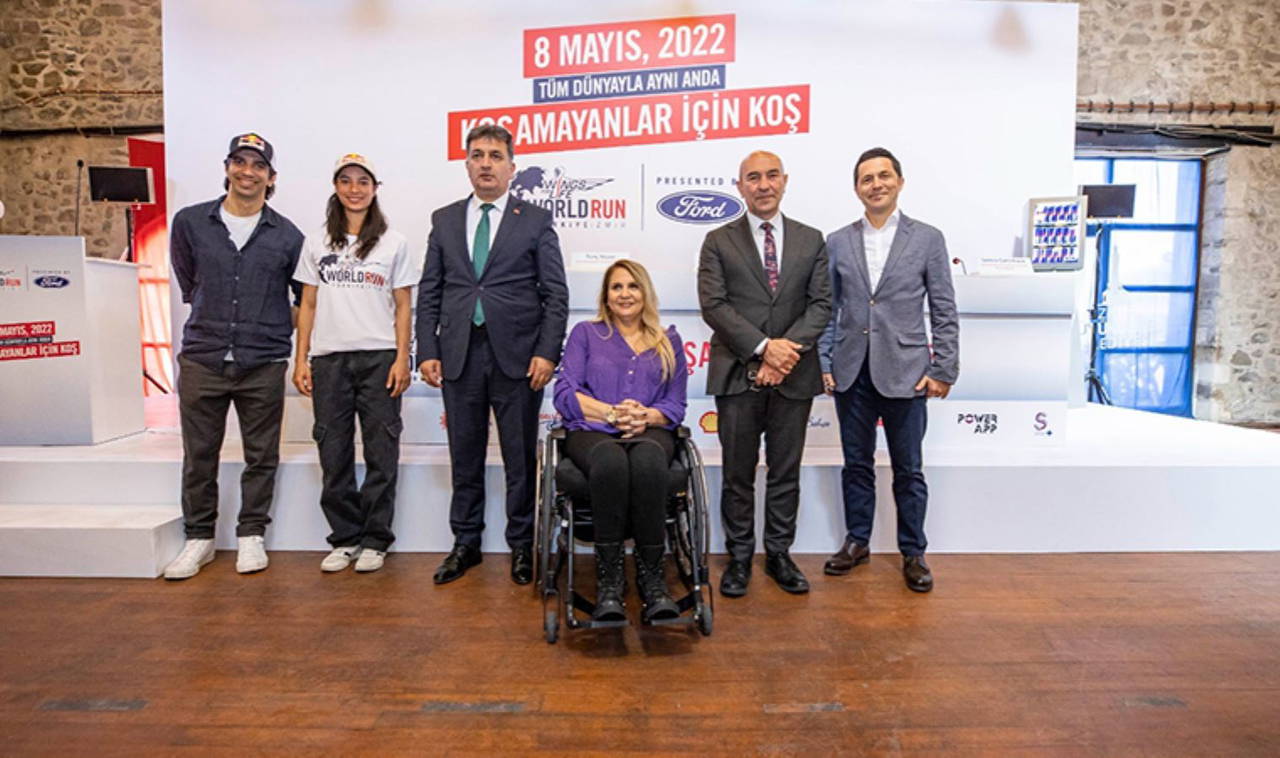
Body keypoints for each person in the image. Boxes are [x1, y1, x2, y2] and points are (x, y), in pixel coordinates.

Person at [416, 124, 569, 586]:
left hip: (518, 358)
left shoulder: (534, 219)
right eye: (478, 155)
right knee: (464, 455)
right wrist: (427, 349)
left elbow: (556, 293)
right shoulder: (444, 219)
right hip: (459, 353)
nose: (486, 163)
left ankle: (522, 545)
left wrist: (547, 352)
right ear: (467, 164)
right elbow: (430, 290)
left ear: (511, 167)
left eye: (496, 155)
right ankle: (465, 543)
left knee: (519, 458)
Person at [818, 147, 959, 593]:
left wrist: (944, 368)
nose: (876, 184)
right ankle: (857, 541)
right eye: (867, 178)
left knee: (909, 469)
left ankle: (913, 551)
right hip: (851, 371)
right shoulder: (837, 241)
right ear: (856, 188)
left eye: (883, 176)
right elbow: (828, 308)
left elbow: (944, 308)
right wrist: (825, 361)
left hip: (907, 371)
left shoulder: (928, 238)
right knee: (855, 464)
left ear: (899, 181)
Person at [164, 133, 304, 580]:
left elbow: (304, 299)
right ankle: (199, 538)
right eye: (240, 162)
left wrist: (271, 326)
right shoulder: (190, 222)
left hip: (262, 361)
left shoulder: (288, 235)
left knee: (261, 455)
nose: (248, 172)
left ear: (271, 177)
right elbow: (189, 280)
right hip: (203, 356)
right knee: (198, 455)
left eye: (258, 165)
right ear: (227, 168)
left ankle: (251, 535)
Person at [697, 150, 831, 598]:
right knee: (737, 474)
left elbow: (821, 305)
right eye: (753, 177)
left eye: (772, 175)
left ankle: (778, 554)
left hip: (795, 374)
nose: (763, 185)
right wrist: (763, 349)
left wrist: (783, 353)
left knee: (785, 472)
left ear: (785, 181)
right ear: (740, 187)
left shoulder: (812, 240)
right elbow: (714, 305)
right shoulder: (718, 241)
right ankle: (738, 558)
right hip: (737, 373)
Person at [292, 153, 417, 574]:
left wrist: (402, 357)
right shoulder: (316, 242)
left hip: (379, 358)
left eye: (363, 181)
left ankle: (376, 539)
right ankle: (344, 538)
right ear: (336, 187)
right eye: (345, 180)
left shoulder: (394, 242)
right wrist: (301, 357)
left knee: (382, 452)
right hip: (329, 360)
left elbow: (404, 306)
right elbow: (308, 304)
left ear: (375, 188)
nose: (354, 189)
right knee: (334, 452)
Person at [553, 260, 688, 623]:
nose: (625, 294)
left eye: (633, 286)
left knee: (647, 462)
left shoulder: (669, 340)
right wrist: (611, 413)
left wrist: (645, 416)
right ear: (606, 296)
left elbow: (675, 405)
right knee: (611, 461)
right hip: (591, 429)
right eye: (617, 287)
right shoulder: (586, 333)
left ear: (645, 293)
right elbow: (565, 393)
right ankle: (610, 581)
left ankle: (653, 580)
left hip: (650, 430)